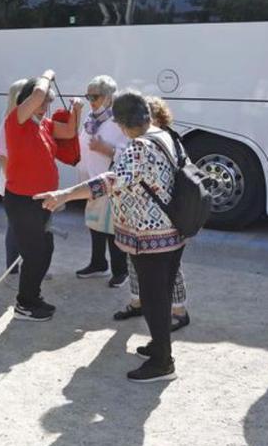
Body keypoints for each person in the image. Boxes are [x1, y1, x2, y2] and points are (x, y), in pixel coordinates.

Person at [36, 90, 185, 382]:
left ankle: (162, 363)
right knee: (161, 293)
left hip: (150, 237)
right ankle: (159, 345)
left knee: (154, 298)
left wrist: (65, 193)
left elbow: (109, 181)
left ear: (120, 123)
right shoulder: (165, 135)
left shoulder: (137, 147)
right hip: (172, 231)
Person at [3, 69, 82, 322]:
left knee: (45, 249)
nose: (46, 105)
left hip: (41, 201)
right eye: (44, 101)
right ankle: (24, 305)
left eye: (49, 101)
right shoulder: (16, 120)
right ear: (28, 100)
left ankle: (33, 297)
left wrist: (77, 110)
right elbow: (38, 93)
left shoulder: (44, 124)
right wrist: (47, 75)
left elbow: (70, 132)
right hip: (22, 201)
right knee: (35, 253)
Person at [111, 95, 191, 331]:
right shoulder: (149, 141)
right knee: (136, 265)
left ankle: (178, 311)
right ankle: (138, 302)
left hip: (161, 223)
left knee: (169, 272)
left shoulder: (158, 141)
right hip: (138, 225)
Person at [75, 75, 130, 287]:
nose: (90, 100)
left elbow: (130, 151)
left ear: (108, 97)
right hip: (92, 180)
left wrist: (107, 149)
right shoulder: (92, 118)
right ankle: (98, 264)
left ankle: (121, 271)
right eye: (88, 95)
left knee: (111, 228)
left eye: (94, 96)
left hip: (111, 181)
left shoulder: (119, 121)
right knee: (95, 224)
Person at [0, 79, 29, 272]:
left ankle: (23, 265)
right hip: (14, 185)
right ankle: (13, 267)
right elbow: (2, 156)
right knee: (16, 227)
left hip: (19, 183)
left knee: (20, 226)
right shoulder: (8, 122)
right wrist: (16, 181)